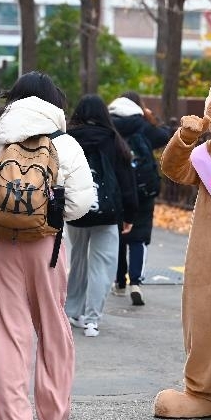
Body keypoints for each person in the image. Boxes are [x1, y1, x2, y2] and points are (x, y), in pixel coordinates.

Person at [0, 71, 94, 420]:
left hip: (1, 246)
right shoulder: (65, 144)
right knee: (54, 330)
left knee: (9, 334)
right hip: (48, 247)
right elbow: (78, 206)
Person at [65, 94, 138, 337]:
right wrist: (130, 214)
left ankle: (71, 311)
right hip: (108, 213)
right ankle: (92, 320)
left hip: (77, 209)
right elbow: (126, 181)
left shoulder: (69, 139)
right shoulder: (113, 140)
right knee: (102, 265)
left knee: (78, 260)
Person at [108, 92, 173, 305]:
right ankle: (135, 282)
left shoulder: (109, 125)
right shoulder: (143, 125)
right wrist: (151, 117)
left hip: (118, 190)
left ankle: (119, 282)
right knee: (139, 236)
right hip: (143, 191)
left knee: (119, 236)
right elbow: (165, 135)